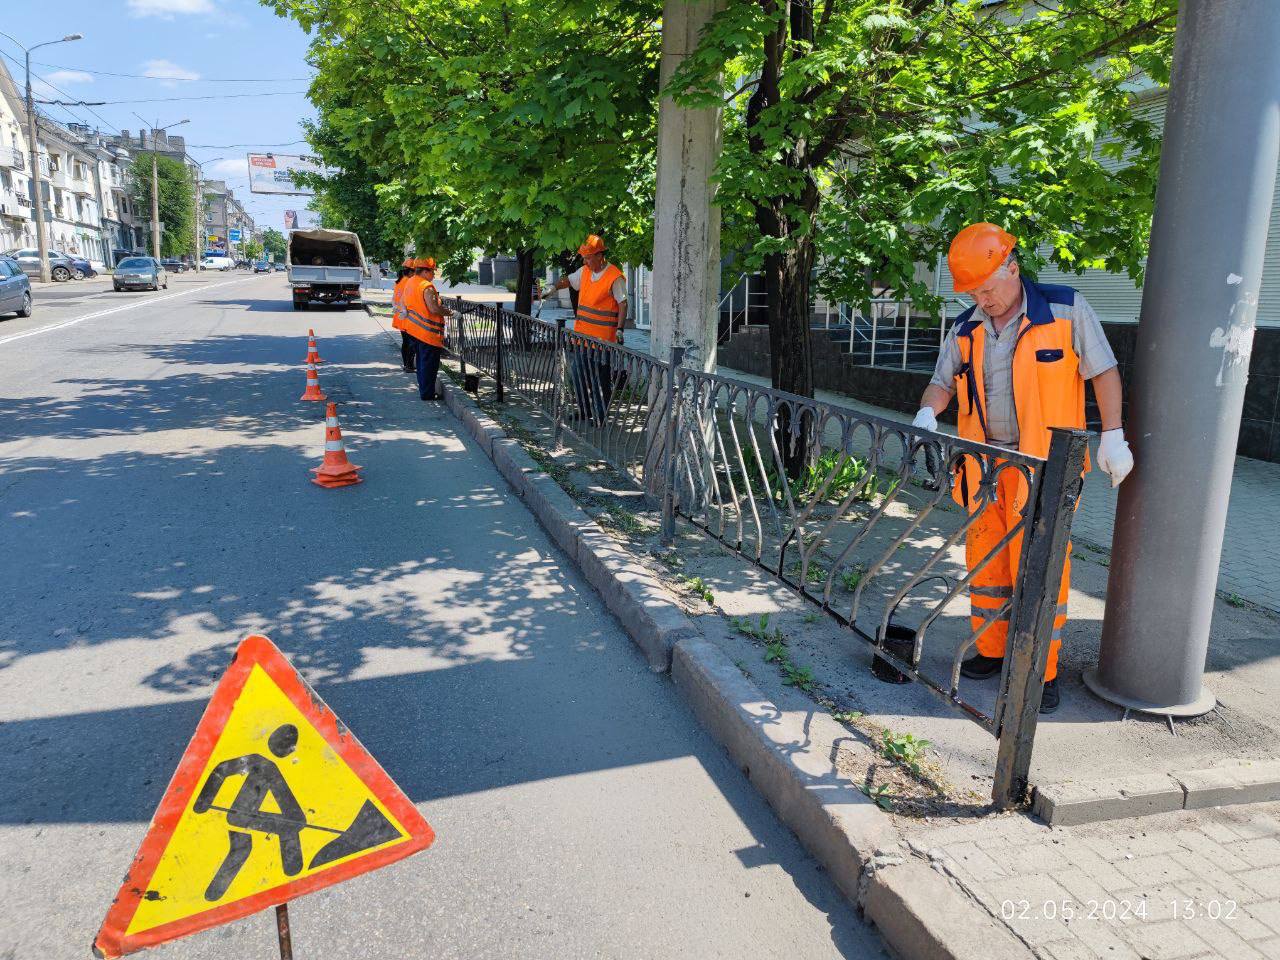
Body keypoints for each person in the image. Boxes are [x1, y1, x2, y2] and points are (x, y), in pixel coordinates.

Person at [914, 223, 1134, 714]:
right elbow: (941, 382)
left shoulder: (1065, 310)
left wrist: (1114, 435)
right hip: (984, 467)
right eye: (973, 292)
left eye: (989, 287)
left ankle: (1042, 670)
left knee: (1043, 569)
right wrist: (928, 411)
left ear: (1012, 269)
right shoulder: (966, 327)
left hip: (1043, 468)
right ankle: (992, 651)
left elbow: (1104, 372)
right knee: (987, 563)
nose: (983, 299)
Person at [538, 234, 628, 424]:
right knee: (579, 374)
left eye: (588, 257)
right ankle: (585, 410)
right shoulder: (584, 271)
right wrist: (553, 287)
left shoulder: (614, 276)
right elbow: (569, 281)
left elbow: (623, 304)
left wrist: (620, 329)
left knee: (599, 379)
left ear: (599, 255)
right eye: (584, 258)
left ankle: (600, 416)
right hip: (583, 337)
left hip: (603, 340)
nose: (585, 261)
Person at [401, 256, 453, 401]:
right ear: (424, 271)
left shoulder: (410, 282)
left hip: (414, 331)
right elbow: (434, 308)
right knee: (429, 365)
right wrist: (451, 313)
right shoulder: (426, 286)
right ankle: (427, 394)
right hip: (427, 333)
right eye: (432, 271)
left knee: (421, 363)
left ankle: (424, 390)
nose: (434, 274)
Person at [390, 258, 416, 372]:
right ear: (411, 271)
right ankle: (409, 365)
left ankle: (406, 364)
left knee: (406, 342)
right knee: (411, 342)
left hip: (400, 316)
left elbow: (394, 299)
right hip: (406, 317)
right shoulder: (409, 282)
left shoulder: (400, 281)